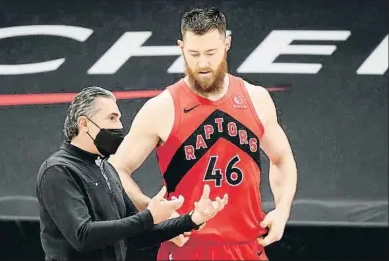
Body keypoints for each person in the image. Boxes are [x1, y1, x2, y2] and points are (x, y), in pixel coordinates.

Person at [108, 6, 298, 260]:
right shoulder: (162, 107)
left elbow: (282, 158)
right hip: (187, 249)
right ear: (181, 47)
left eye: (211, 52)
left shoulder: (256, 99)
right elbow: (115, 169)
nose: (203, 63)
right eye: (194, 54)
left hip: (247, 247)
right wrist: (154, 212)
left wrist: (282, 210)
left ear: (227, 44)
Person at [35, 86, 228, 261]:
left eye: (119, 118)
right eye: (111, 118)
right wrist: (150, 216)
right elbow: (83, 237)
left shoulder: (106, 168)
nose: (119, 126)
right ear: (84, 123)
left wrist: (192, 219)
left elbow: (140, 235)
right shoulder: (58, 171)